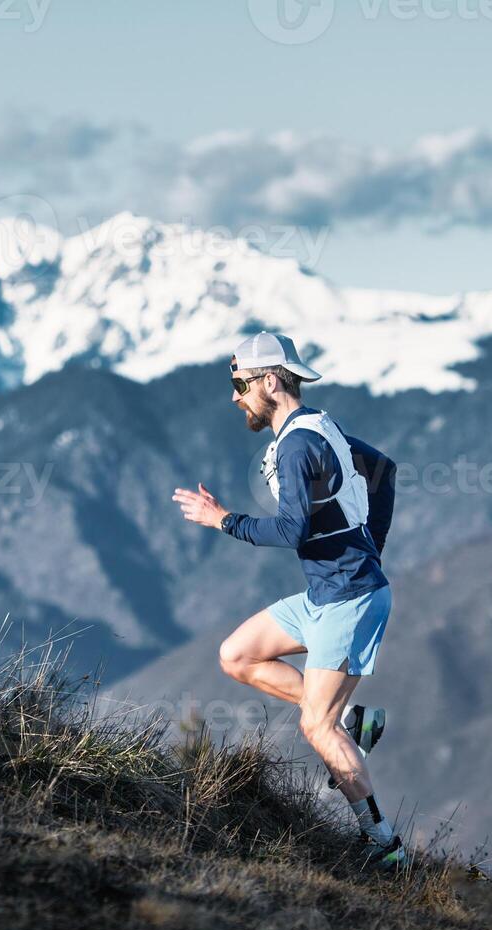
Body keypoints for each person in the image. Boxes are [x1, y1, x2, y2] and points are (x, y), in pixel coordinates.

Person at [172, 331, 405, 869]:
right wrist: (372, 547)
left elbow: (293, 529)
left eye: (240, 384)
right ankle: (354, 726)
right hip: (329, 592)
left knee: (314, 726)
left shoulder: (299, 442)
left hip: (349, 597)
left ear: (270, 381)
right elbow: (384, 471)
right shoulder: (318, 424)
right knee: (237, 655)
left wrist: (222, 520)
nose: (235, 396)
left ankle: (384, 845)